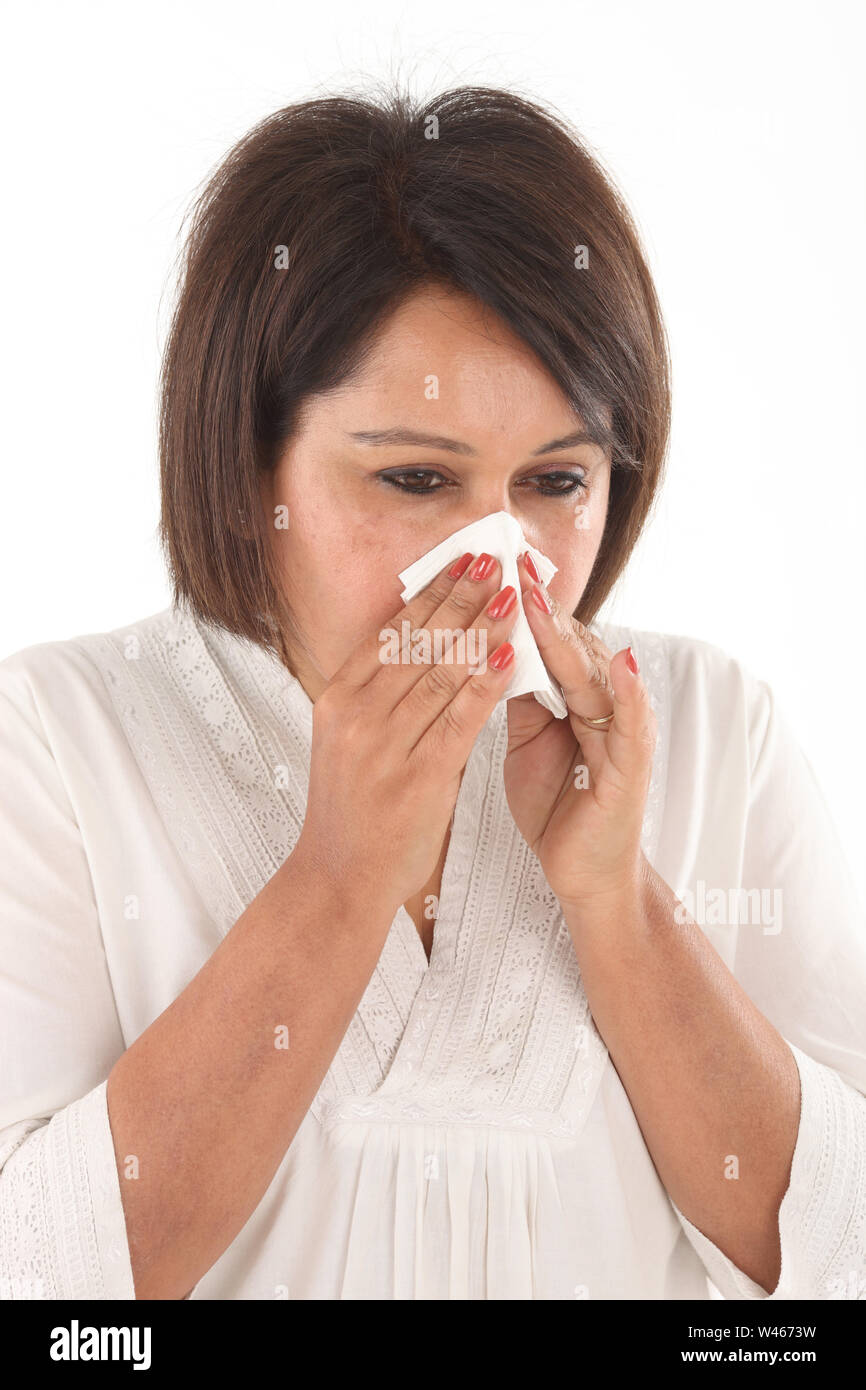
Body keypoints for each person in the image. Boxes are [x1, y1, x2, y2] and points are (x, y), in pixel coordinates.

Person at [1, 84, 864, 1302]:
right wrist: (337, 879)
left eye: (555, 482)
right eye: (414, 479)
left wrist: (616, 906)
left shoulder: (715, 729)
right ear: (248, 473)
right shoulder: (61, 742)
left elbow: (835, 1272)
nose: (499, 562)